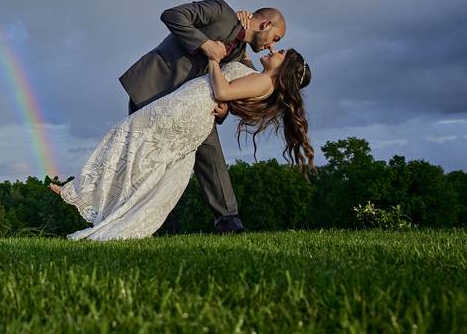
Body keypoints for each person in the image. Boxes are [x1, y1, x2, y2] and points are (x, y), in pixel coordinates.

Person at [49, 47, 313, 241]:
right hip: (191, 107)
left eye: (280, 52)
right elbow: (233, 87)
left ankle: (84, 190)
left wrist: (213, 60)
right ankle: (107, 205)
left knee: (127, 136)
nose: (273, 49)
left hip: (188, 107)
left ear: (285, 67)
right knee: (155, 164)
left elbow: (222, 91)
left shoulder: (264, 80)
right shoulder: (262, 79)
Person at [117, 0, 286, 234]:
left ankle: (228, 220)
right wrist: (205, 44)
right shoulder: (221, 10)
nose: (272, 46)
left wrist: (225, 108)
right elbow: (172, 15)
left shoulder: (239, 52)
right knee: (144, 161)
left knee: (211, 151)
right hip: (155, 89)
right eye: (276, 38)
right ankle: (147, 224)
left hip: (191, 104)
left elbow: (232, 84)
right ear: (266, 24)